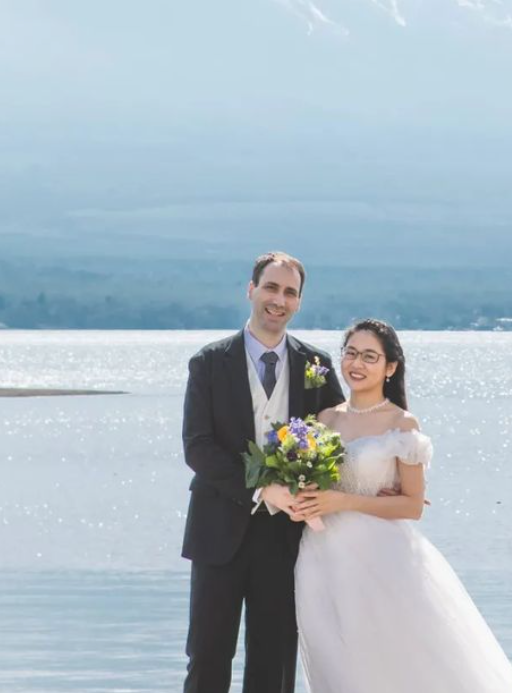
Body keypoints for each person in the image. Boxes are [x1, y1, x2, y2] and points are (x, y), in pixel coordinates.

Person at [292, 318, 512, 693]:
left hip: (381, 558)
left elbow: (413, 506)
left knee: (390, 660)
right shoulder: (323, 420)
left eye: (370, 356)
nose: (357, 363)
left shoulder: (401, 423)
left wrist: (344, 500)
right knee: (334, 662)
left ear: (390, 367)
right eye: (350, 353)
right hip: (321, 557)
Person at [181, 251, 345, 693]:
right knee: (208, 656)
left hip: (287, 539)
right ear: (251, 290)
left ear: (299, 302)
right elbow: (197, 448)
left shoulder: (317, 366)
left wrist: (387, 482)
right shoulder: (209, 363)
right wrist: (261, 488)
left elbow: (342, 439)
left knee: (274, 663)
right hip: (218, 534)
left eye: (290, 292)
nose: (279, 300)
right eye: (271, 288)